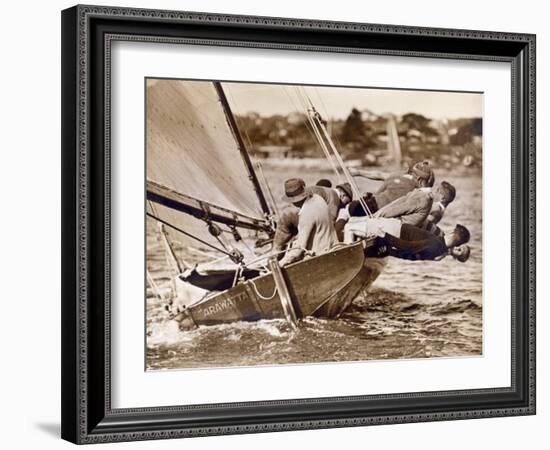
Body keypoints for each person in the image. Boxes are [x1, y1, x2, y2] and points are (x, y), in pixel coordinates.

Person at [344, 216, 471, 262]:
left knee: (349, 227)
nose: (457, 249)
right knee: (355, 224)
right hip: (396, 228)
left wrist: (385, 236)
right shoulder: (439, 242)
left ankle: (345, 259)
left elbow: (408, 248)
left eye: (460, 250)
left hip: (393, 230)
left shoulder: (437, 246)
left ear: (453, 233)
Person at [273, 181, 352, 253]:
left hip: (287, 213)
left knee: (279, 245)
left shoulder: (323, 190)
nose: (344, 206)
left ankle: (274, 256)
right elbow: (329, 224)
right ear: (343, 195)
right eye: (347, 202)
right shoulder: (334, 199)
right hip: (300, 214)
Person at [278, 178, 338, 266]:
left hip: (320, 256)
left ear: (294, 201)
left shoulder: (306, 214)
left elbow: (299, 249)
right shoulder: (318, 198)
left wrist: (280, 264)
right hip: (333, 247)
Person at [346, 160, 435, 215]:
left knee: (346, 210)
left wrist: (357, 172)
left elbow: (379, 174)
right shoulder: (418, 190)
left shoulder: (398, 176)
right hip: (380, 210)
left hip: (372, 206)